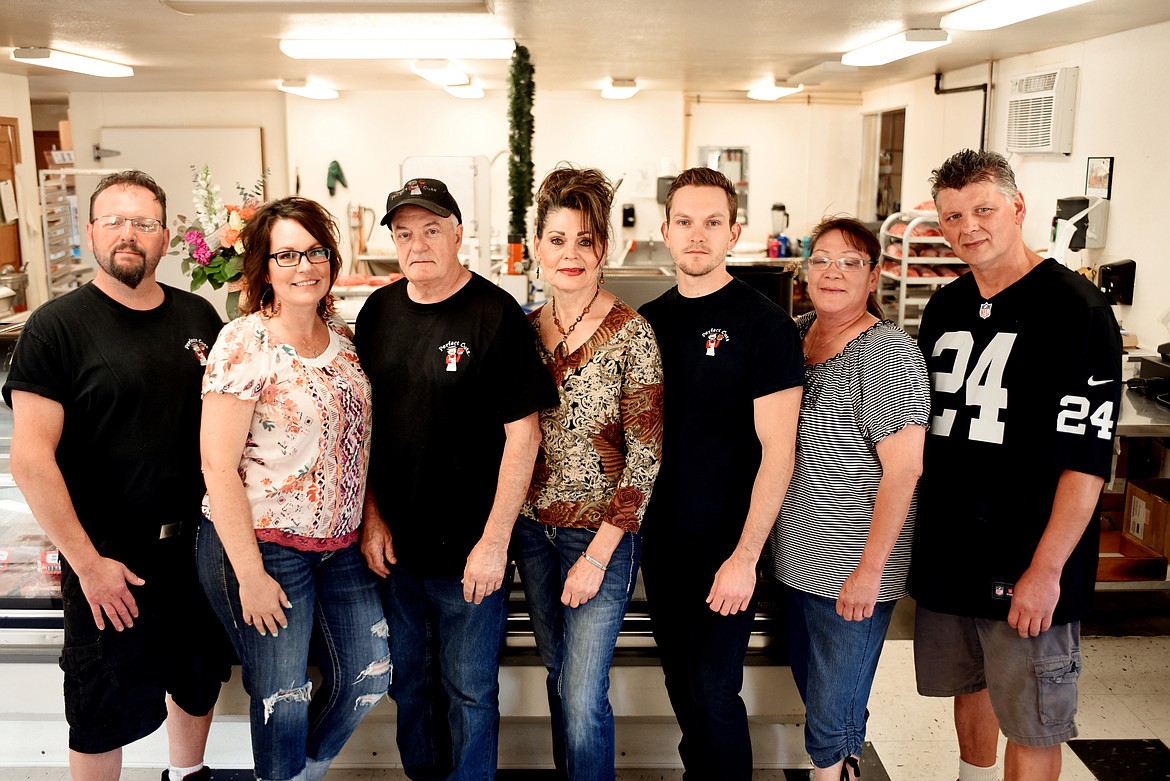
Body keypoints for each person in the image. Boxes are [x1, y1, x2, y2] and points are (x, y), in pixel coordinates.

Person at [3, 170, 230, 781]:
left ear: (164, 237)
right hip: (110, 561)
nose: (129, 235)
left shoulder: (200, 316)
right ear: (91, 232)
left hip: (198, 551)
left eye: (144, 223)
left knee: (196, 679)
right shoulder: (57, 327)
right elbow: (29, 459)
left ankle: (187, 775)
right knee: (101, 708)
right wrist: (87, 562)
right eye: (115, 222)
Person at [911, 149, 1123, 781]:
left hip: (1026, 556)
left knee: (1033, 716)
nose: (968, 227)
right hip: (951, 550)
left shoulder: (1075, 310)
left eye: (984, 209)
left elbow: (1086, 464)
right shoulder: (944, 307)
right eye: (952, 216)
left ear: (1018, 207)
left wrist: (1046, 568)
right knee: (969, 689)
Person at [355, 178, 558, 781]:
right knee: (411, 687)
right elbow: (363, 429)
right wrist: (372, 520)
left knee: (471, 693)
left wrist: (495, 543)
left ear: (459, 233)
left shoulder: (495, 315)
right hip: (395, 552)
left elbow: (525, 436)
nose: (418, 244)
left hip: (472, 552)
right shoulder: (378, 312)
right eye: (404, 233)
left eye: (432, 229)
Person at [198, 196, 390, 781]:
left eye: (315, 251)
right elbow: (216, 466)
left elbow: (358, 447)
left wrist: (373, 518)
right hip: (263, 543)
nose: (304, 265)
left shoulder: (346, 342)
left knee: (372, 671)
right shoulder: (243, 342)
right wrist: (250, 575)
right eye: (287, 254)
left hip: (340, 543)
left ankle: (299, 771)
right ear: (263, 268)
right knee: (284, 694)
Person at [639, 166, 803, 781]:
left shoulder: (765, 325)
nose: (697, 235)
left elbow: (777, 452)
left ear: (735, 233)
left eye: (712, 223)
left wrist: (745, 556)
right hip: (662, 545)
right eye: (685, 222)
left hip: (728, 548)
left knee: (713, 692)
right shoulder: (649, 323)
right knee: (683, 688)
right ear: (666, 231)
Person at [513, 165, 664, 781]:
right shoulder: (522, 332)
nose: (570, 254)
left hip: (599, 538)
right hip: (532, 533)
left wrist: (600, 554)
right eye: (557, 239)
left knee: (582, 690)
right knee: (557, 674)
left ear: (605, 247)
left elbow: (646, 456)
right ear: (538, 246)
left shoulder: (634, 335)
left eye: (584, 240)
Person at [769, 216, 930, 780]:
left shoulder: (886, 350)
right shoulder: (797, 333)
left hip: (850, 568)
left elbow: (905, 470)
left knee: (830, 724)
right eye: (822, 259)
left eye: (850, 262)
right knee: (822, 699)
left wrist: (869, 571)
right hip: (795, 560)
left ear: (874, 274)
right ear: (804, 269)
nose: (833, 272)